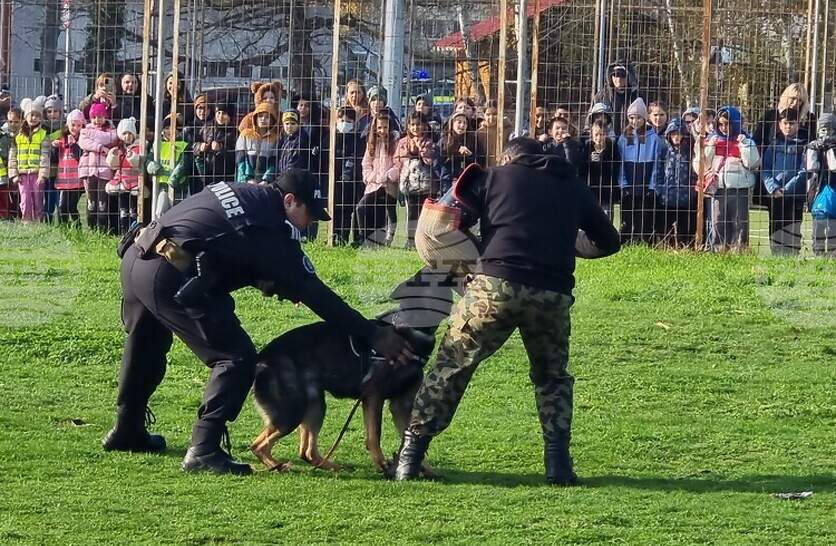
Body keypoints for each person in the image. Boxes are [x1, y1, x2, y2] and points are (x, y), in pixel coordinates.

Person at [104, 169, 415, 475]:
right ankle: (204, 449)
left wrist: (263, 277)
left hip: (138, 256)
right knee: (235, 357)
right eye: (309, 214)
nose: (310, 223)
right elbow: (318, 296)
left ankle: (127, 429)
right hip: (171, 272)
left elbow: (223, 239)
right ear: (290, 201)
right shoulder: (272, 229)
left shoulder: (243, 191)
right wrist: (373, 334)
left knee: (145, 345)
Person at [393, 138, 621, 484]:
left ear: (508, 158)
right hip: (552, 293)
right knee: (552, 378)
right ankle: (558, 466)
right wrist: (568, 243)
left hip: (494, 287)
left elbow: (439, 222)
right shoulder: (573, 185)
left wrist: (468, 258)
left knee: (452, 366)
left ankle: (409, 460)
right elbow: (609, 241)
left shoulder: (493, 177)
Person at [693, 105, 760, 252]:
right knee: (717, 222)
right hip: (718, 189)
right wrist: (707, 147)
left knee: (739, 223)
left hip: (739, 189)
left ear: (735, 123)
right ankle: (718, 251)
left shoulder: (746, 141)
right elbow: (701, 166)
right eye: (720, 124)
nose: (723, 128)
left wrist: (744, 146)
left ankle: (739, 251)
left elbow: (752, 163)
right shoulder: (712, 141)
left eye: (727, 124)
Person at [761, 108, 808, 255]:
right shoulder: (773, 145)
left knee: (793, 228)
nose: (788, 126)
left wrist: (787, 189)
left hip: (794, 196)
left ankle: (792, 257)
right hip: (775, 195)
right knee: (775, 228)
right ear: (780, 124)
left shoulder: (804, 145)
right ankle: (776, 256)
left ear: (798, 124)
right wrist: (773, 188)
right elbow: (765, 168)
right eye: (785, 123)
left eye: (792, 123)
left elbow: (804, 170)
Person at [617, 98, 663, 244]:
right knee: (627, 217)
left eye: (638, 118)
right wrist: (623, 184)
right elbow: (620, 163)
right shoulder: (624, 138)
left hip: (645, 182)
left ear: (644, 118)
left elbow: (656, 164)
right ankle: (626, 243)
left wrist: (652, 186)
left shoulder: (653, 138)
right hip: (629, 182)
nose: (635, 121)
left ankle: (645, 244)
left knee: (644, 218)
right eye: (631, 118)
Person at [394, 111, 436, 249]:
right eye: (412, 124)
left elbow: (430, 160)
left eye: (418, 124)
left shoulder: (429, 142)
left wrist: (420, 150)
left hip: (426, 184)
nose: (415, 127)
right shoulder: (403, 142)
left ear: (424, 126)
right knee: (411, 213)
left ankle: (425, 241)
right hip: (409, 184)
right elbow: (397, 159)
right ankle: (410, 241)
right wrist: (408, 153)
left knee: (425, 214)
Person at [358, 111, 399, 246]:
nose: (382, 130)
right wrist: (370, 177)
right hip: (374, 183)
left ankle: (387, 239)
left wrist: (388, 176)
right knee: (362, 208)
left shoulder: (395, 143)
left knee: (389, 211)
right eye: (379, 127)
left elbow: (398, 164)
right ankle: (365, 237)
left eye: (385, 127)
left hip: (389, 184)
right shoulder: (372, 143)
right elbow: (366, 163)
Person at [656, 118, 698, 247]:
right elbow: (658, 171)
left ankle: (684, 248)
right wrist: (660, 190)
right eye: (673, 134)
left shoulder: (690, 152)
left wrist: (692, 191)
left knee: (684, 229)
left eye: (679, 134)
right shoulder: (664, 150)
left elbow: (694, 172)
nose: (676, 137)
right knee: (665, 229)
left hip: (686, 199)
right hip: (667, 198)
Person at [78, 102, 119, 232]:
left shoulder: (111, 129)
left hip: (105, 170)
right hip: (89, 170)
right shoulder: (86, 129)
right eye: (94, 117)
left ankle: (102, 228)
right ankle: (91, 227)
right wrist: (100, 147)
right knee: (91, 200)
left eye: (100, 116)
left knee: (102, 201)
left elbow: (112, 138)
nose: (97, 120)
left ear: (105, 117)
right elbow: (83, 142)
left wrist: (93, 136)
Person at [8, 97, 50, 223]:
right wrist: (14, 174)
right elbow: (12, 157)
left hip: (36, 174)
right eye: (31, 115)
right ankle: (26, 221)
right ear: (26, 116)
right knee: (25, 199)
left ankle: (38, 221)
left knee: (37, 198)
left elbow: (45, 156)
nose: (34, 118)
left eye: (37, 115)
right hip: (22, 174)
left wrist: (43, 175)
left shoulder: (43, 135)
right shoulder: (18, 136)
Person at [105, 117, 144, 234]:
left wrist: (132, 157)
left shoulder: (138, 148)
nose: (127, 136)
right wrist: (113, 156)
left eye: (130, 133)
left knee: (133, 209)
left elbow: (139, 163)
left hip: (134, 181)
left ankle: (133, 230)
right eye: (124, 133)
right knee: (123, 208)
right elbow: (112, 166)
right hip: (121, 181)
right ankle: (123, 230)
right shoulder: (117, 148)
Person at [333, 107, 365, 245]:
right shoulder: (333, 137)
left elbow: (356, 157)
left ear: (354, 122)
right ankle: (335, 236)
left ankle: (349, 238)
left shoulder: (358, 139)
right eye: (341, 120)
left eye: (348, 121)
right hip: (335, 180)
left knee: (348, 211)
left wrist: (349, 171)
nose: (344, 123)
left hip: (353, 181)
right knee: (336, 210)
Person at [806, 112, 836, 256]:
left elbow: (834, 167)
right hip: (817, 190)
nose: (825, 133)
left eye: (828, 129)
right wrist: (813, 150)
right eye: (822, 129)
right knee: (818, 225)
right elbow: (811, 167)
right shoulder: (814, 146)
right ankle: (818, 254)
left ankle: (832, 254)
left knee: (833, 229)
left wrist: (830, 149)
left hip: (833, 189)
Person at [578, 119, 620, 218]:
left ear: (607, 134)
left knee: (606, 218)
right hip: (591, 190)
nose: (599, 137)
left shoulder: (612, 147)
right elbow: (582, 169)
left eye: (602, 134)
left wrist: (603, 159)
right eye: (596, 134)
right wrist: (589, 160)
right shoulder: (588, 147)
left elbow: (616, 167)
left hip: (607, 191)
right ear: (592, 135)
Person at [53, 109, 86, 224]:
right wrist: (54, 148)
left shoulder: (83, 140)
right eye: (73, 125)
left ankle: (77, 228)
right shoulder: (62, 138)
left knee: (72, 206)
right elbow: (54, 159)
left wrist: (73, 145)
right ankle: (64, 229)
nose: (75, 128)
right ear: (68, 124)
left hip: (78, 181)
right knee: (62, 207)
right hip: (64, 180)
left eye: (79, 125)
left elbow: (81, 156)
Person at [440, 111, 485, 194]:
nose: (462, 125)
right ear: (452, 123)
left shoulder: (473, 140)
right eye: (459, 122)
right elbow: (438, 161)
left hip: (468, 181)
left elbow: (481, 160)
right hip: (448, 182)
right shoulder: (444, 140)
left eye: (465, 123)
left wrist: (470, 155)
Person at [592, 60, 641, 135]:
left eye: (622, 76)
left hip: (631, 137)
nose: (619, 79)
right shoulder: (602, 96)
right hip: (607, 137)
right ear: (610, 77)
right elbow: (591, 119)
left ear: (629, 77)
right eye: (615, 75)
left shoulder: (637, 97)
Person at [194, 102, 237, 187]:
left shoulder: (234, 132)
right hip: (205, 172)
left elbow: (236, 155)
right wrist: (199, 147)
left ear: (230, 115)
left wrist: (221, 148)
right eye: (218, 112)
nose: (220, 116)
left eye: (224, 113)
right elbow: (193, 145)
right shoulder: (207, 127)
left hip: (225, 174)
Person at [235, 102, 279, 185]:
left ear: (272, 120)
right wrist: (247, 178)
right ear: (255, 118)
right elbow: (240, 159)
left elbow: (273, 162)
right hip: (245, 180)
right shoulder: (245, 134)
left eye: (267, 117)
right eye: (260, 116)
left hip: (264, 182)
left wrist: (266, 180)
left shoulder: (274, 138)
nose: (263, 119)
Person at [43, 94, 65, 222]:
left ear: (60, 112)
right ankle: (48, 220)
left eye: (55, 111)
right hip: (48, 168)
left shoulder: (65, 127)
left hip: (62, 168)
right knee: (49, 196)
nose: (52, 114)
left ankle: (62, 222)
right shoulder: (42, 127)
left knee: (61, 199)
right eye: (49, 111)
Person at [0, 107, 23, 219]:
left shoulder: (24, 134)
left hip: (21, 167)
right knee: (7, 194)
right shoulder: (4, 135)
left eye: (16, 122)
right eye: (10, 121)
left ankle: (19, 214)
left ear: (22, 121)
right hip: (6, 168)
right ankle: (10, 216)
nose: (13, 124)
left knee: (19, 193)